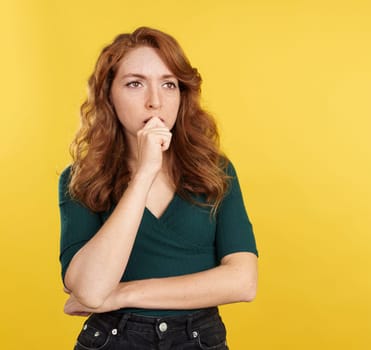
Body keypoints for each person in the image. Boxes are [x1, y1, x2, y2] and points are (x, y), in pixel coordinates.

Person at [58, 26, 258, 350]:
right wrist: (145, 174)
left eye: (168, 84)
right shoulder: (80, 179)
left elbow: (243, 282)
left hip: (199, 339)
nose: (155, 102)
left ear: (182, 93)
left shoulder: (216, 172)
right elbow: (92, 291)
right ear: (109, 94)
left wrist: (124, 293)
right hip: (113, 339)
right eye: (135, 83)